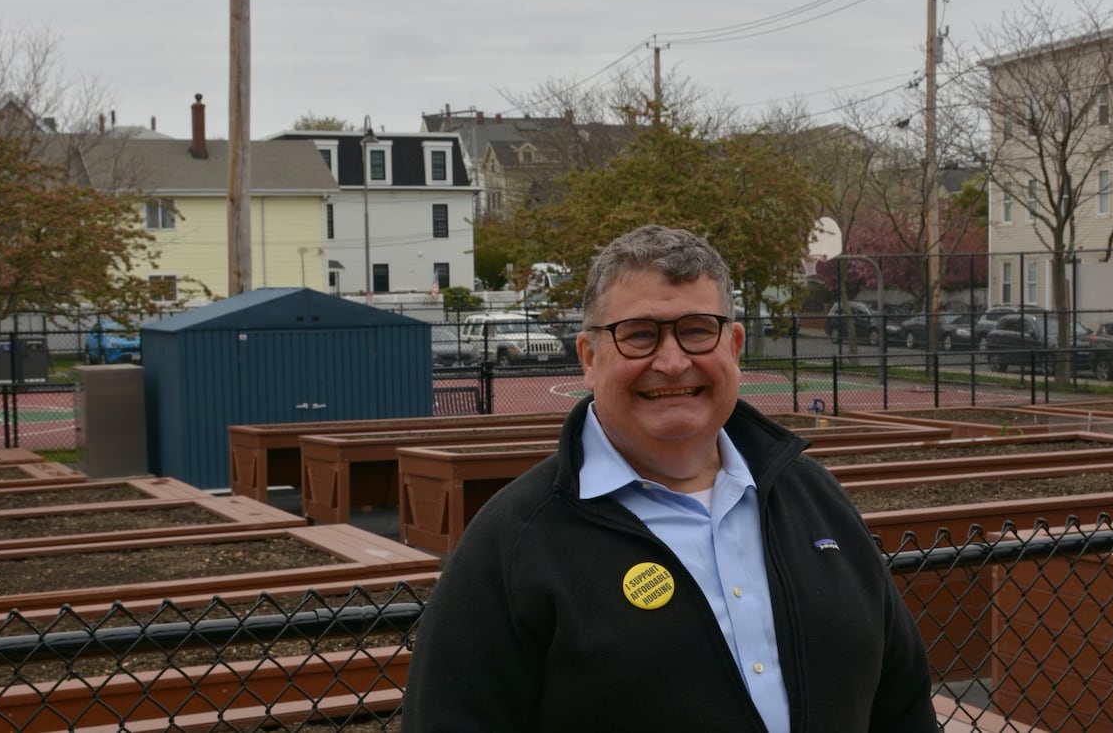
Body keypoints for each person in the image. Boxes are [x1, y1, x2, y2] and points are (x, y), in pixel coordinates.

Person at [401, 225, 936, 732]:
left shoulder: (815, 498)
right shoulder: (513, 543)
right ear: (588, 357)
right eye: (639, 335)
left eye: (698, 331)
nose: (674, 361)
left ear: (735, 347)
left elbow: (902, 702)